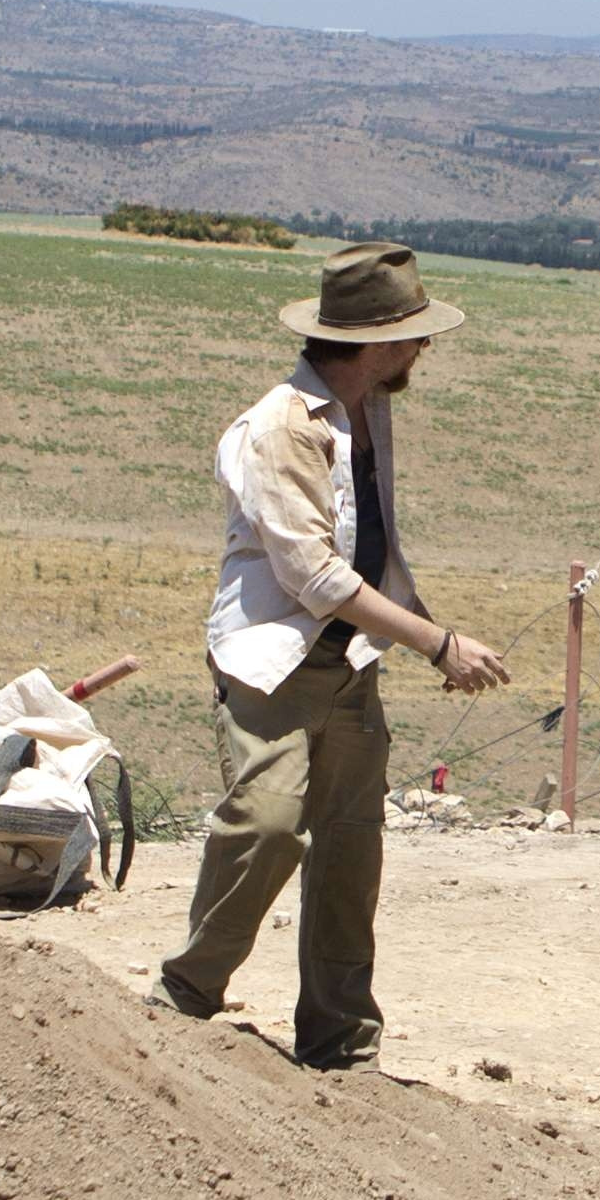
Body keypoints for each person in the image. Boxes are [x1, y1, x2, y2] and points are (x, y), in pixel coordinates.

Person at [156, 244, 509, 1071]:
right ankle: (185, 996)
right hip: (274, 660)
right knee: (269, 822)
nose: (424, 350)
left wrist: (420, 632)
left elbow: (371, 546)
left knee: (352, 846)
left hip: (350, 661)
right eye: (415, 335)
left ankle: (341, 1042)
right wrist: (440, 644)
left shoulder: (363, 412)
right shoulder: (280, 428)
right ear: (376, 341)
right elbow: (315, 576)